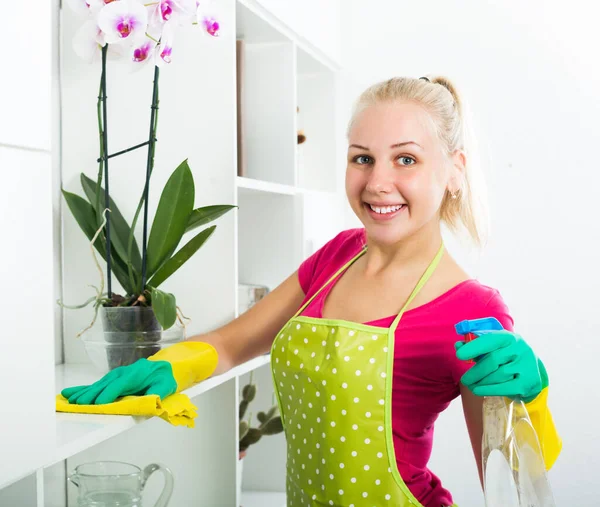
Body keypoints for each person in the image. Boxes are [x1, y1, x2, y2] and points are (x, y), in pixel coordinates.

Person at [62, 75, 561, 507]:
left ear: (454, 171)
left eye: (406, 159)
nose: (378, 182)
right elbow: (233, 343)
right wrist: (161, 368)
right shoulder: (337, 256)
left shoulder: (473, 310)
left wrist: (532, 400)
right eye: (362, 158)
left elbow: (510, 483)